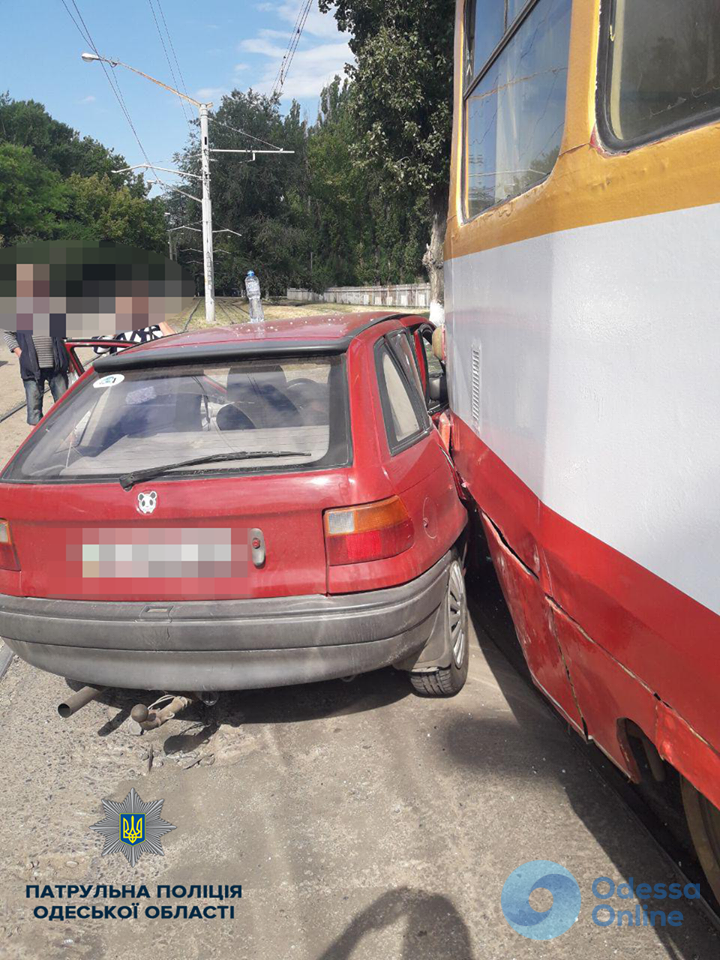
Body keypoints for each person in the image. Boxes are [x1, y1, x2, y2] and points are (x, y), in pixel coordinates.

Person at [3, 328, 70, 426]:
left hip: (57, 366)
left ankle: (68, 435)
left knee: (64, 404)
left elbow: (65, 336)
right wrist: (21, 354)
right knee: (34, 409)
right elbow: (8, 334)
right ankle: (37, 439)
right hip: (31, 368)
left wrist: (68, 359)